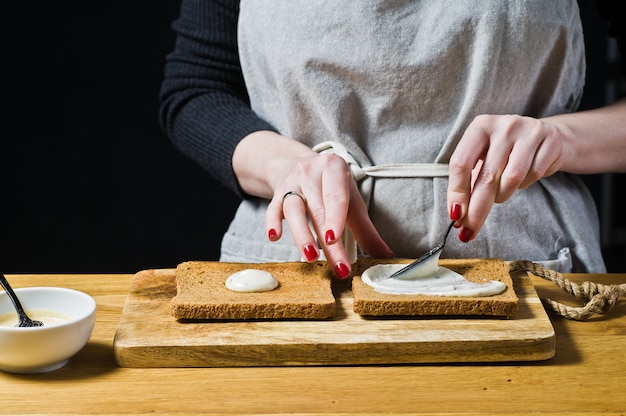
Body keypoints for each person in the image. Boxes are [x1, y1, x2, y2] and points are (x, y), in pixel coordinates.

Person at [160, 0, 626, 279]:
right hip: (301, 268)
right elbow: (195, 89)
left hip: (530, 265)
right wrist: (286, 166)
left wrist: (561, 138)